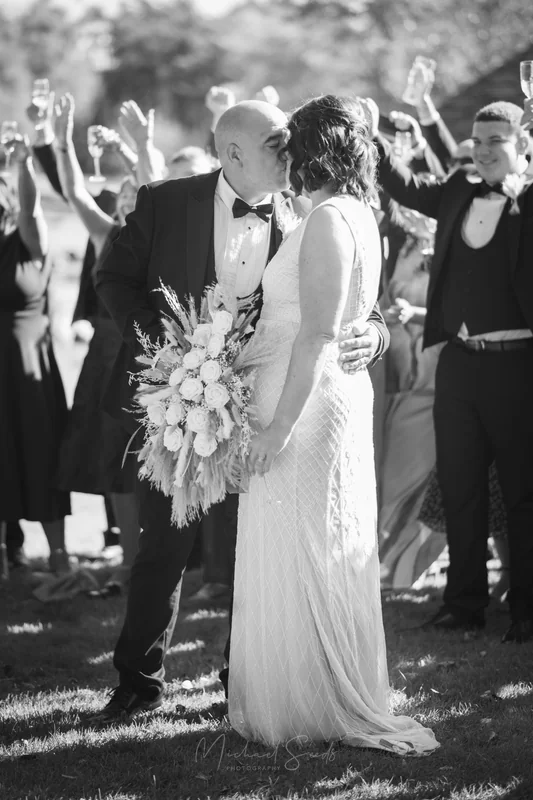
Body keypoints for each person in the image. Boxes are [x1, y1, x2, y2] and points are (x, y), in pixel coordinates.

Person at [92, 99, 389, 723]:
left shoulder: (308, 214)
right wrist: (165, 349)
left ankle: (244, 678)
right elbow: (113, 279)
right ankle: (138, 680)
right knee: (162, 546)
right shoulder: (165, 202)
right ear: (233, 153)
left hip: (267, 405)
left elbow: (349, 300)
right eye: (277, 146)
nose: (291, 156)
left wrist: (377, 335)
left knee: (248, 548)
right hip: (182, 396)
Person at [228, 95, 438, 754]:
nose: (281, 157)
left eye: (290, 144)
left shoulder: (325, 222)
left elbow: (318, 334)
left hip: (306, 407)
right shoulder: (354, 213)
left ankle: (309, 702)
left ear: (311, 149)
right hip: (325, 399)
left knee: (305, 547)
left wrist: (276, 429)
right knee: (312, 543)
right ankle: (302, 690)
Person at [361, 96, 533, 643]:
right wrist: (371, 135)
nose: (481, 153)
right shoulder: (459, 187)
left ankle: (528, 607)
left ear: (522, 145)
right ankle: (463, 602)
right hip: (457, 365)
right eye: (477, 142)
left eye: (494, 143)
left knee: (523, 491)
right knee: (460, 486)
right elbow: (404, 184)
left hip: (517, 367)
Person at [52, 94, 140, 590]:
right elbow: (73, 194)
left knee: (142, 462)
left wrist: (137, 150)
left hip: (143, 357)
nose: (126, 199)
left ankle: (160, 558)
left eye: (134, 194)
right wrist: (62, 142)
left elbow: (153, 173)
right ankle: (129, 560)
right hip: (104, 357)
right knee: (113, 463)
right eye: (123, 196)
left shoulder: (160, 246)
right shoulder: (107, 235)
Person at [0, 139, 71, 575]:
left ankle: (60, 556)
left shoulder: (26, 242)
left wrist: (24, 165)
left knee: (41, 456)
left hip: (28, 370)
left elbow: (32, 211)